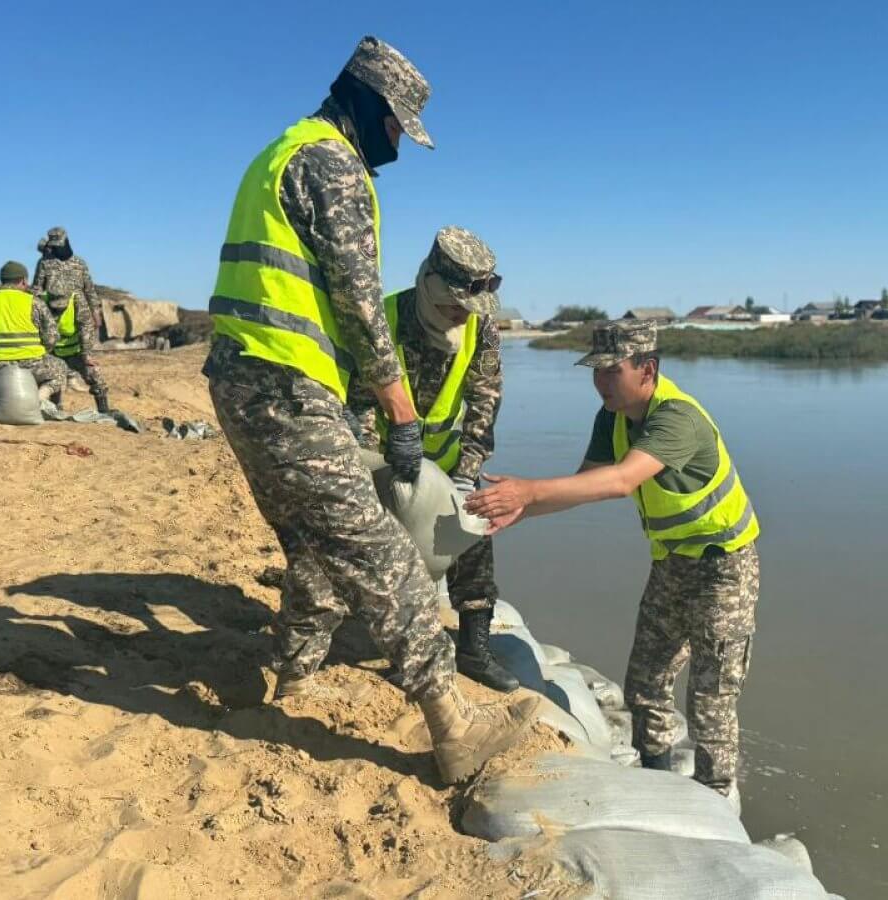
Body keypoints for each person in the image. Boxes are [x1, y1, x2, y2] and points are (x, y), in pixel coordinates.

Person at [201, 35, 538, 784]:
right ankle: (455, 727)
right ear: (369, 103)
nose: (398, 145)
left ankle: (290, 678)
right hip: (285, 384)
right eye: (397, 128)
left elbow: (481, 404)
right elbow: (357, 302)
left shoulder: (283, 151)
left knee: (315, 545)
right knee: (382, 555)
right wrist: (400, 412)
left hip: (246, 380)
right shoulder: (332, 162)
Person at [465, 319, 761, 798]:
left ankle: (714, 795)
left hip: (724, 569)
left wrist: (530, 488)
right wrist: (520, 510)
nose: (601, 382)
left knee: (711, 696)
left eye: (612, 370)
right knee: (645, 682)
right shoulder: (614, 416)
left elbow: (621, 481)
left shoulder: (676, 418)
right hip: (673, 564)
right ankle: (658, 780)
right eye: (595, 371)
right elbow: (585, 486)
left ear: (648, 369)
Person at [347, 225, 517, 692]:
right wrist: (376, 466)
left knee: (474, 530)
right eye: (452, 306)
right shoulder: (383, 319)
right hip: (381, 457)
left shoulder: (481, 330)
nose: (460, 317)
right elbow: (358, 398)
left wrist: (465, 477)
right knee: (365, 540)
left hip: (445, 461)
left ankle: (475, 647)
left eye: (469, 310)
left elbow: (485, 403)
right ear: (428, 284)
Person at [32, 226, 111, 412]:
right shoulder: (45, 263)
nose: (57, 249)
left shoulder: (79, 263)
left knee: (92, 372)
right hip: (52, 318)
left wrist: (96, 311)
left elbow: (89, 289)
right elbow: (36, 290)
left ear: (66, 242)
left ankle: (104, 410)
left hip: (76, 316)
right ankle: (53, 408)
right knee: (51, 373)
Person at [0, 260, 68, 397]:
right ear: (23, 280)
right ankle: (41, 399)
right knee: (60, 366)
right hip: (31, 364)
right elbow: (51, 337)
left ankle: (1, 396)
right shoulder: (34, 302)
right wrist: (42, 351)